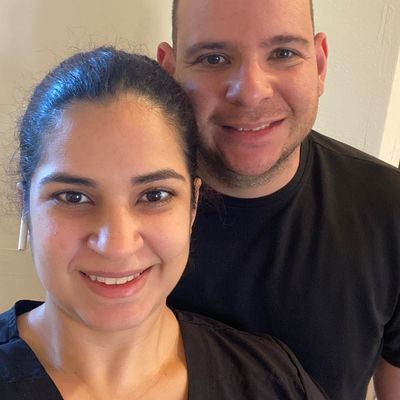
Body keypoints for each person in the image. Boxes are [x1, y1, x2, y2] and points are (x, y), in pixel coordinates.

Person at [0, 47, 328, 399]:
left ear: (192, 206)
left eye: (154, 195)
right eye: (73, 197)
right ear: (26, 207)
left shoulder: (273, 383)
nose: (117, 245)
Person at [156, 0, 400, 399]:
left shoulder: (389, 209)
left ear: (319, 65)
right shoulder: (122, 214)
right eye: (214, 58)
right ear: (168, 73)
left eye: (283, 53)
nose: (251, 92)